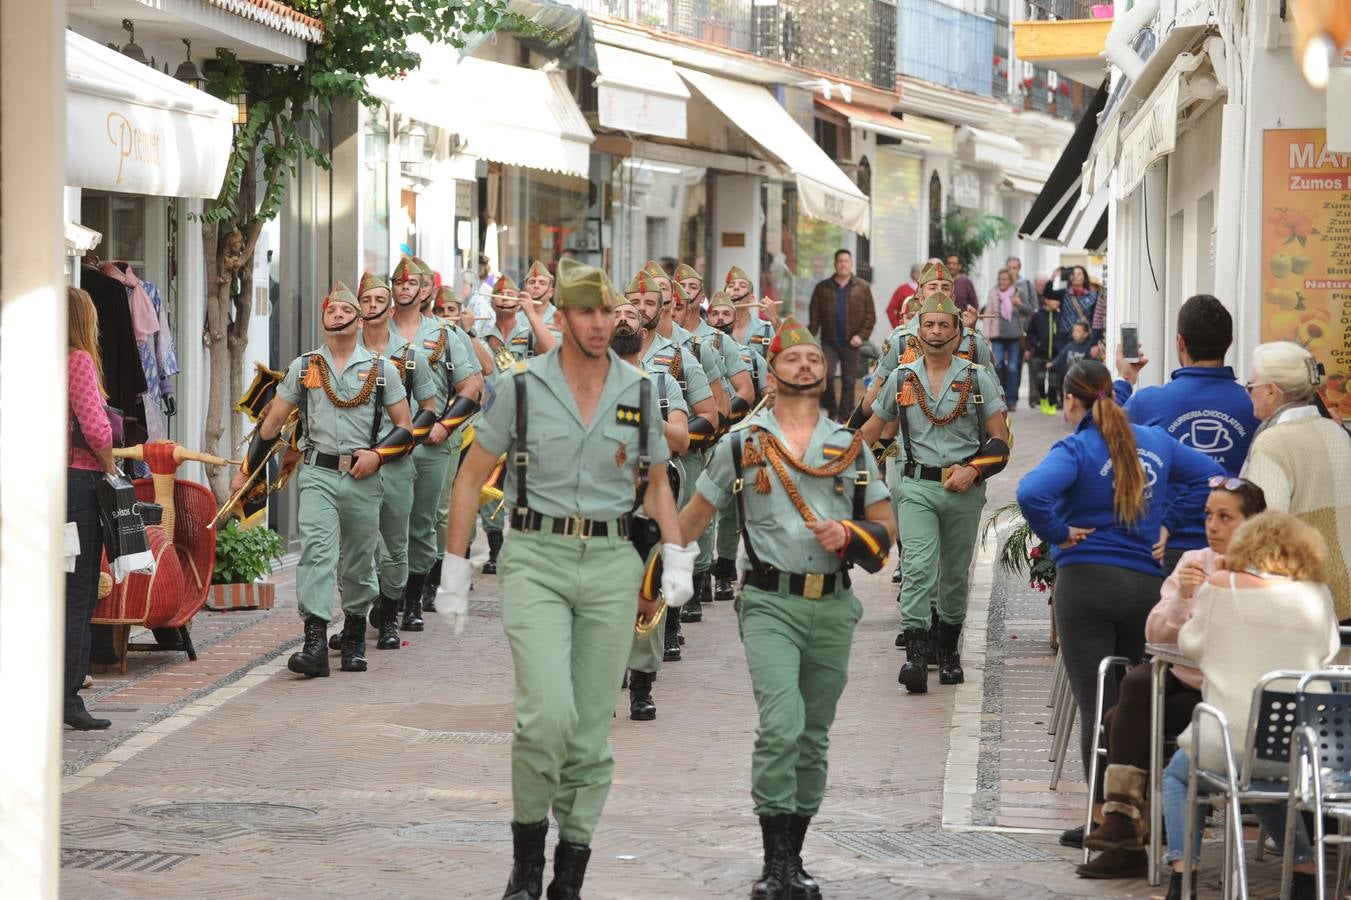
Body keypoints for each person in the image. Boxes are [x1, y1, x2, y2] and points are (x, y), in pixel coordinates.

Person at [438, 259, 695, 900]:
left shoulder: (638, 390)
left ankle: (569, 871)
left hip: (612, 563)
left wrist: (677, 555)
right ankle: (526, 862)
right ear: (561, 317)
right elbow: (471, 477)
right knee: (544, 717)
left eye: (609, 312)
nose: (602, 323)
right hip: (537, 559)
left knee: (588, 734)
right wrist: (453, 568)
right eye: (588, 312)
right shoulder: (519, 387)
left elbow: (657, 481)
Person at [677, 317, 894, 900]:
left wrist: (848, 534)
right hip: (769, 603)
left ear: (825, 374)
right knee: (782, 726)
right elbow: (698, 514)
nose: (805, 365)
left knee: (815, 735)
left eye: (813, 359)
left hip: (833, 606)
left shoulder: (849, 446)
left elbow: (885, 529)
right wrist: (664, 573)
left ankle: (794, 859)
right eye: (792, 358)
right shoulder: (743, 443)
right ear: (770, 373)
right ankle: (773, 864)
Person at [1016, 360, 1220, 784]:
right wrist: (1168, 521)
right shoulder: (1156, 443)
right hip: (1143, 586)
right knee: (1131, 701)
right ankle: (1140, 807)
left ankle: (1102, 815)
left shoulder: (1076, 449)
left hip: (1087, 584)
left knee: (1097, 700)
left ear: (1071, 401)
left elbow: (1031, 492)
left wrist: (1059, 532)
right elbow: (1213, 476)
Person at [1074, 476, 1267, 878]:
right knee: (1140, 683)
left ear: (1252, 523)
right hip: (1188, 684)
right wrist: (1182, 599)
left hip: (1236, 699)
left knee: (1118, 717)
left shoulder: (1269, 572)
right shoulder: (1194, 561)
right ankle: (1125, 825)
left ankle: (1125, 833)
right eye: (1208, 515)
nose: (1211, 526)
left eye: (1224, 517)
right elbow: (1155, 634)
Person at [233, 283, 413, 677]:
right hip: (317, 471)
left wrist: (378, 455)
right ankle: (314, 641)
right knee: (316, 550)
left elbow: (405, 428)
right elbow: (271, 425)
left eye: (343, 310)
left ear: (359, 318)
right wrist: (246, 472)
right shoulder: (305, 367)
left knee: (359, 558)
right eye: (329, 311)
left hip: (363, 475)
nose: (335, 315)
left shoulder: (383, 371)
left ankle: (352, 637)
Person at [1160, 511, 1340, 900]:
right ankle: (1306, 869)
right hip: (1302, 749)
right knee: (1266, 780)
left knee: (1178, 776)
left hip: (1227, 745)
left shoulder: (1223, 586)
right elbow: (1329, 650)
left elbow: (1191, 644)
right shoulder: (1317, 592)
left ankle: (1182, 874)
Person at [860, 292, 1011, 692]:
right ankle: (915, 655)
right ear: (918, 330)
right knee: (918, 568)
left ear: (959, 333)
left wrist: (974, 471)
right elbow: (870, 434)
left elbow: (1000, 442)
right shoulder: (902, 378)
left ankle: (947, 652)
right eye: (929, 324)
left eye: (945, 325)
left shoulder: (977, 378)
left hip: (964, 488)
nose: (937, 331)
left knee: (954, 574)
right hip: (916, 486)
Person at [1113, 294, 1261, 573]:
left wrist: (1125, 379)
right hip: (1232, 549)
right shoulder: (1253, 405)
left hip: (1163, 547)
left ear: (1180, 342)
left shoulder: (1147, 402)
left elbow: (1100, 430)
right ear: (1229, 343)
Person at [349, 272, 441, 650]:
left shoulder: (410, 356)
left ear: (390, 308)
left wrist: (396, 446)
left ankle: (389, 615)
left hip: (395, 464)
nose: (372, 307)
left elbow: (429, 409)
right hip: (353, 465)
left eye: (378, 301)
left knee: (394, 545)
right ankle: (355, 616)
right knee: (352, 546)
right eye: (366, 301)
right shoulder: (340, 354)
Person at [391, 262, 483, 630]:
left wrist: (445, 427)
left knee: (423, 522)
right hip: (386, 447)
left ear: (425, 290)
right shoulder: (375, 332)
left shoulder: (445, 334)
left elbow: (472, 386)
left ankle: (414, 599)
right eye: (399, 282)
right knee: (387, 523)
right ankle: (386, 598)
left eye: (413, 282)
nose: (406, 288)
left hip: (431, 444)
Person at [626, 269, 719, 627]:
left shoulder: (681, 355)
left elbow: (710, 414)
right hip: (617, 466)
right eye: (634, 302)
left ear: (664, 305)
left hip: (670, 463)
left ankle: (668, 620)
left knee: (667, 540)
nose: (641, 308)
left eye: (649, 301)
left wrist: (674, 440)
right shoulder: (604, 355)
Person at [612, 299, 689, 721]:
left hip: (646, 497)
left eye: (631, 314)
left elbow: (681, 439)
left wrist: (647, 418)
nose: (623, 319)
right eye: (616, 314)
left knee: (646, 588)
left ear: (644, 332)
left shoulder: (660, 384)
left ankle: (642, 683)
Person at [1241, 340, 1351, 621]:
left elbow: (1266, 528)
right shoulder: (1337, 433)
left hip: (1306, 598)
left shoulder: (1273, 442)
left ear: (1271, 391)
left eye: (1250, 386)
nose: (1248, 394)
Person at [475, 274, 556, 576]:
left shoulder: (533, 329)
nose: (507, 297)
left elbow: (552, 354)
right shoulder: (484, 333)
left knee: (528, 483)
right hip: (493, 414)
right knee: (489, 483)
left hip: (530, 416)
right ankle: (495, 546)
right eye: (501, 294)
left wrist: (533, 316)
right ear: (492, 301)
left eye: (512, 293)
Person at [66, 287, 117, 731]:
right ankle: (68, 696)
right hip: (78, 484)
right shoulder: (76, 360)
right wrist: (111, 465)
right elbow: (96, 429)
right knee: (78, 592)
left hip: (39, 484)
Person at [808, 249, 876, 421]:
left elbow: (870, 316)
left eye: (846, 261)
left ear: (851, 264)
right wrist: (808, 339)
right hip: (829, 341)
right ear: (835, 264)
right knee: (827, 375)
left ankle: (845, 416)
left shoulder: (862, 287)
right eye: (840, 261)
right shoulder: (822, 288)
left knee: (849, 380)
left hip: (851, 341)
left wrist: (861, 336)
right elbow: (814, 316)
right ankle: (831, 411)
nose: (843, 264)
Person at [983, 267, 1025, 407]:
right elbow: (988, 315)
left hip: (1014, 336)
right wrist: (986, 335)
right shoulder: (993, 293)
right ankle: (1000, 396)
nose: (1001, 282)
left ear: (1011, 281)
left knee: (1013, 368)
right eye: (1000, 279)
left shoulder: (1018, 293)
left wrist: (1020, 305)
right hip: (997, 336)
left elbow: (1030, 311)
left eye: (1005, 279)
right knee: (998, 365)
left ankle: (1012, 399)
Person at [1024, 292, 1063, 413]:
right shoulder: (1038, 315)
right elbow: (1030, 332)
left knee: (1053, 380)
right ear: (1046, 300)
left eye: (1058, 301)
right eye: (1053, 300)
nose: (1056, 303)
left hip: (1055, 354)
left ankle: (1051, 403)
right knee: (1040, 379)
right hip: (1040, 354)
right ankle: (1043, 399)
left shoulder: (1060, 315)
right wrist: (1037, 344)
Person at [1044, 265, 1098, 333]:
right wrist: (1053, 277)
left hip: (1084, 337)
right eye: (1073, 274)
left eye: (1079, 274)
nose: (1075, 276)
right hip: (1066, 335)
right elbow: (1047, 294)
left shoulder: (1092, 296)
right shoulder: (1064, 293)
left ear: (1084, 279)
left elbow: (1096, 319)